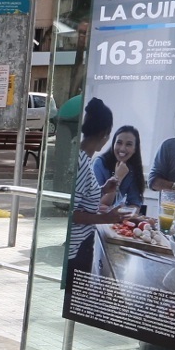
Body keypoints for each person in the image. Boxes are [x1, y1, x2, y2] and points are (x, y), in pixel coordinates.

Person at [68, 97, 134, 278]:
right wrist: (105, 218)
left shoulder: (82, 156)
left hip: (80, 246)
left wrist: (103, 189)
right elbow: (71, 213)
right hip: (75, 251)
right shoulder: (81, 162)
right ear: (105, 133)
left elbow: (81, 197)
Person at [93, 124, 146, 213]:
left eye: (128, 144)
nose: (122, 148)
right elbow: (100, 204)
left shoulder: (132, 169)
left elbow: (135, 204)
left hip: (116, 219)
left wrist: (126, 211)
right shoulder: (99, 164)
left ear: (135, 149)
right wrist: (118, 177)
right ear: (113, 144)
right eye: (119, 142)